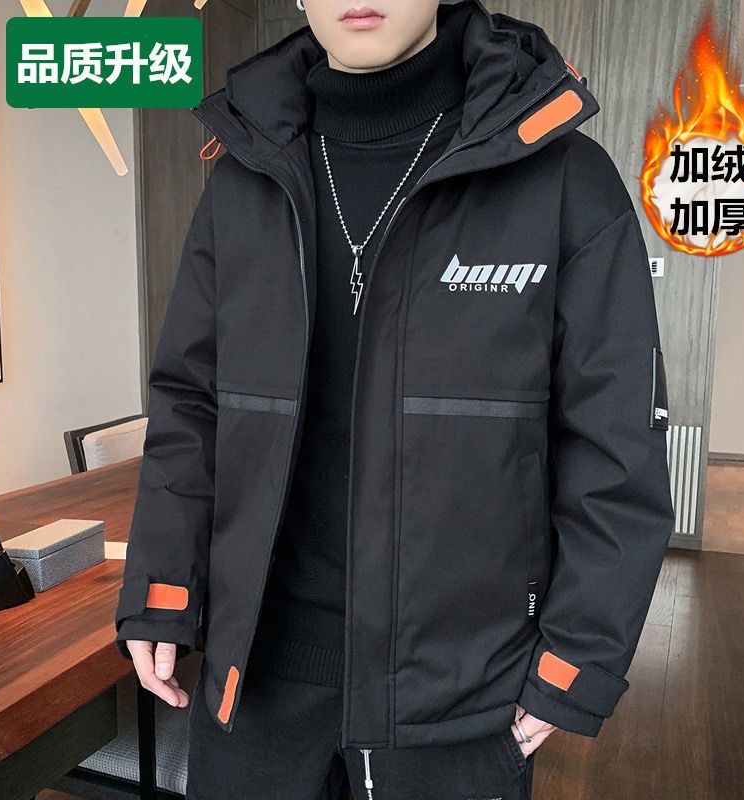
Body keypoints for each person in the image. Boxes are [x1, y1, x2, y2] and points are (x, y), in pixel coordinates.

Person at [114, 0, 675, 797]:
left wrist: (575, 662)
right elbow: (190, 407)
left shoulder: (562, 178)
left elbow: (616, 444)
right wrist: (161, 588)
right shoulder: (243, 178)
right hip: (256, 690)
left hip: (459, 701)